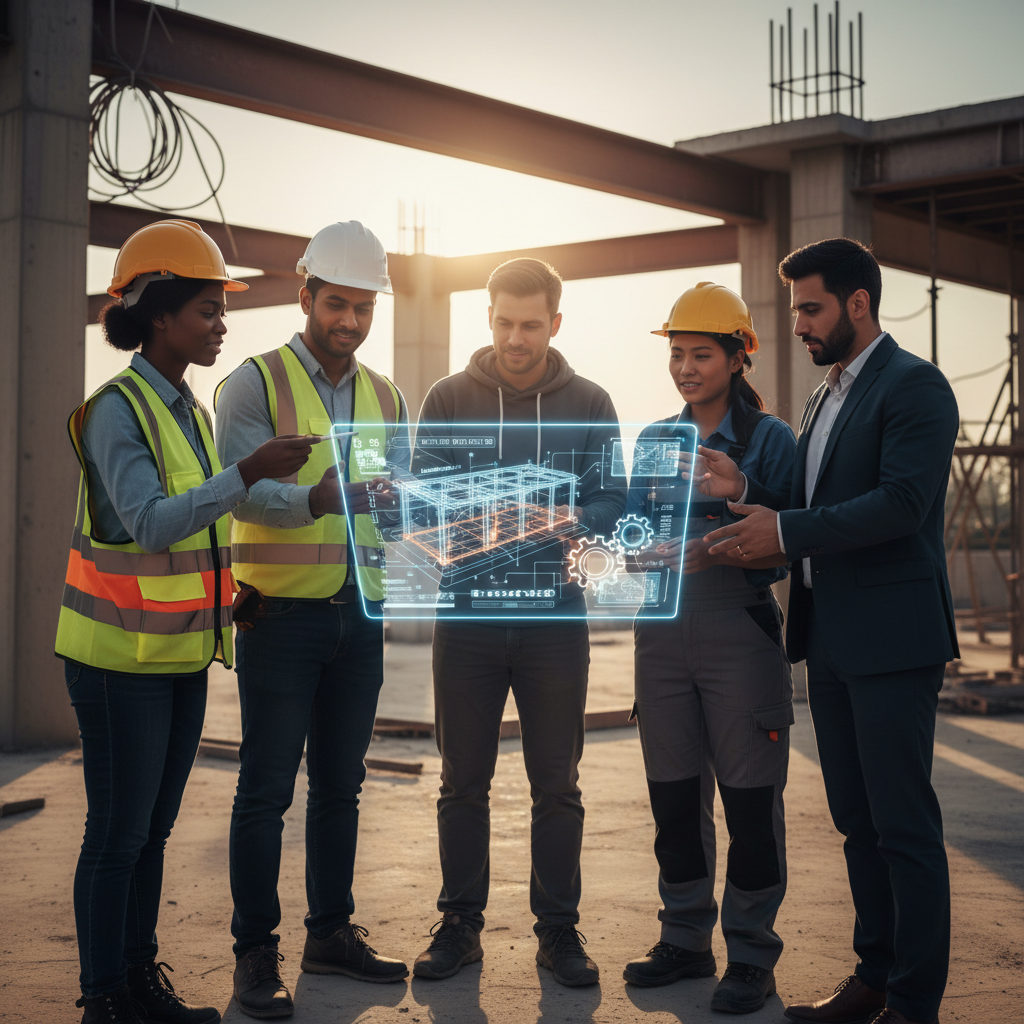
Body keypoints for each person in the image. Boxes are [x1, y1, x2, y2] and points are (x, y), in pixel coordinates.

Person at [55, 220, 317, 1024]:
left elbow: (195, 535)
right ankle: (103, 997)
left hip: (177, 654)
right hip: (114, 660)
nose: (221, 324)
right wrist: (248, 471)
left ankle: (139, 981)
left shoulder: (188, 412)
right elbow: (151, 524)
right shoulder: (116, 411)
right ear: (159, 312)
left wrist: (223, 598)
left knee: (153, 831)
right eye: (208, 309)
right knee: (117, 833)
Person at [704, 238, 958, 1024]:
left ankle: (914, 1005)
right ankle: (875, 978)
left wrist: (783, 534)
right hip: (833, 641)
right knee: (856, 824)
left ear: (858, 302)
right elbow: (812, 496)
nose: (802, 326)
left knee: (903, 828)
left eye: (812, 309)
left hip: (893, 640)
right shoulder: (823, 397)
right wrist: (746, 487)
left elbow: (898, 506)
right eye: (797, 312)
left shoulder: (915, 386)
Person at [410, 257, 626, 988]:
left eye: (531, 324)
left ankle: (558, 933)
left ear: (555, 324)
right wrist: (520, 516)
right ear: (490, 317)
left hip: (554, 625)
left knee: (556, 786)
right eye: (504, 321)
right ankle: (460, 926)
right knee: (461, 782)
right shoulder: (446, 398)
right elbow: (431, 496)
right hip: (466, 622)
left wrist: (562, 519)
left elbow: (611, 499)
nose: (516, 337)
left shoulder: (592, 402)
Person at [214, 221, 410, 1020]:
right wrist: (313, 501)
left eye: (363, 308)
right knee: (265, 788)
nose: (351, 322)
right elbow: (237, 490)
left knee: (342, 785)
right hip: (279, 618)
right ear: (305, 297)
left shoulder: (386, 395)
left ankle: (329, 932)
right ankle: (254, 953)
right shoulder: (252, 385)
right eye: (337, 304)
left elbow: (390, 502)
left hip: (358, 619)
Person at [619, 283, 796, 1013]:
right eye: (676, 354)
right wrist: (626, 549)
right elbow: (630, 532)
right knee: (672, 799)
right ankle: (685, 939)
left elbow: (789, 544)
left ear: (737, 356)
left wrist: (714, 545)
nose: (686, 368)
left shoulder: (769, 442)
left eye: (701, 354)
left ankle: (751, 954)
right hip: (660, 636)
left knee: (751, 801)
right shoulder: (656, 439)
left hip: (739, 633)